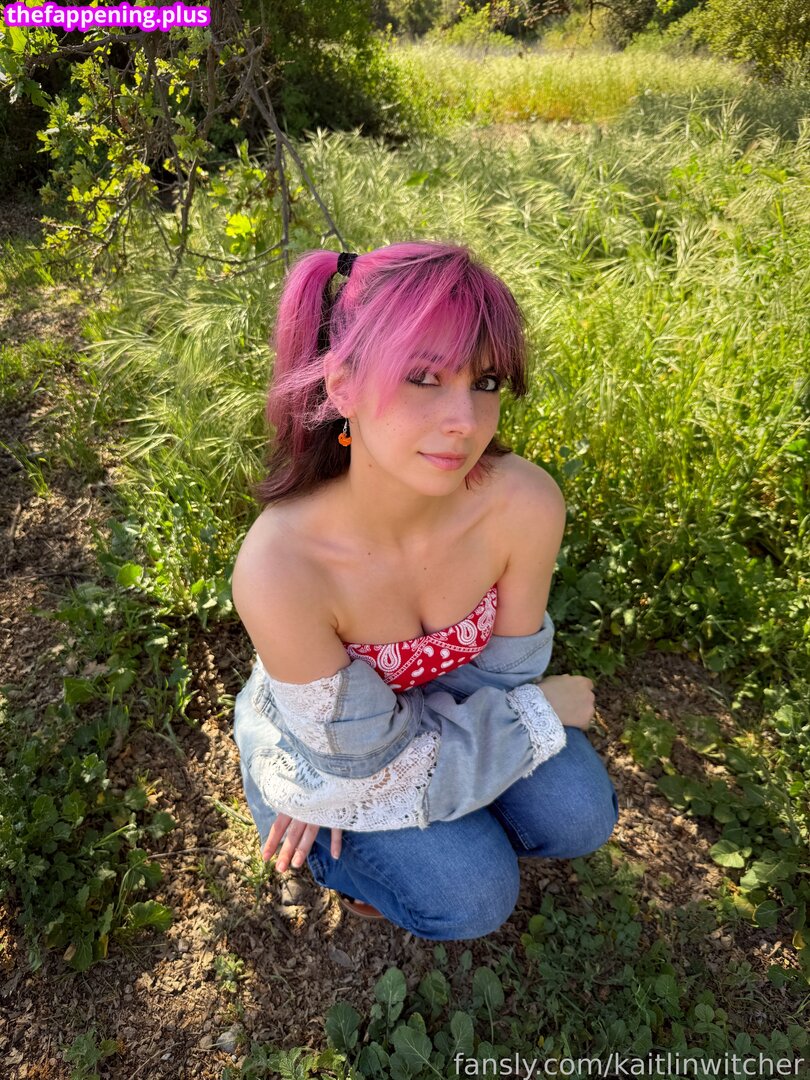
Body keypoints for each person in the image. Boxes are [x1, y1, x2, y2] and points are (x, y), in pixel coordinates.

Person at [230, 241, 619, 939]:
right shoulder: (282, 568)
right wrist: (340, 787)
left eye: (486, 382)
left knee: (581, 815)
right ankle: (369, 870)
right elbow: (370, 766)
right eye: (423, 378)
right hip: (330, 741)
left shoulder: (523, 504)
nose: (465, 421)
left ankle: (439, 818)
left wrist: (408, 774)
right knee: (472, 894)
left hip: (446, 718)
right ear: (342, 386)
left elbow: (502, 677)